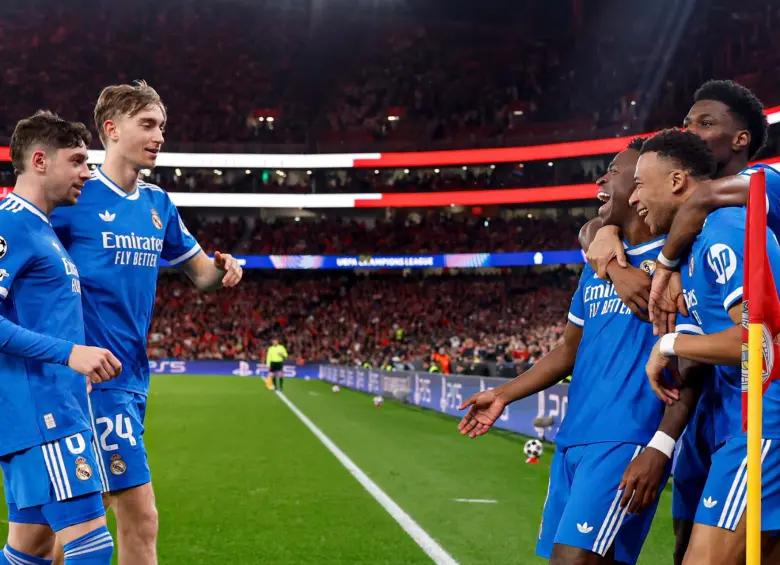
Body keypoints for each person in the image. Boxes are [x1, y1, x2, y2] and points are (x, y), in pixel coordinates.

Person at [458, 139, 702, 565]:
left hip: (627, 438)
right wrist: (502, 395)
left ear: (642, 185)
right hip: (573, 440)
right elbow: (569, 350)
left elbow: (692, 365)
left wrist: (660, 445)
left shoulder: (675, 264)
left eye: (614, 171)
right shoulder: (597, 265)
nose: (600, 179)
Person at [49, 82, 244, 565]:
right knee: (139, 517)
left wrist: (224, 267)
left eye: (162, 127)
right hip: (93, 380)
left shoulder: (158, 205)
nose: (160, 136)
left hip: (134, 378)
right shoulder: (75, 198)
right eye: (148, 125)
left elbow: (200, 274)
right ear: (111, 130)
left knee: (78, 522)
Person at [581, 79, 773, 564]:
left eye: (705, 123)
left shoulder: (753, 197)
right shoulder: (696, 229)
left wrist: (662, 278)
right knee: (691, 545)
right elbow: (629, 206)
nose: (690, 130)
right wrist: (602, 232)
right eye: (688, 123)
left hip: (757, 413)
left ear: (742, 138)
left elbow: (759, 338)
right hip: (715, 413)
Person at [631, 128, 780, 563]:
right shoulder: (697, 248)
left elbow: (761, 339)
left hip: (764, 428)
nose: (636, 198)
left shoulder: (724, 230)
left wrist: (671, 345)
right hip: (748, 425)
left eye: (641, 184)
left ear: (677, 181)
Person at [0, 112, 124, 565]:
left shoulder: (44, 230)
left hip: (49, 409)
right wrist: (69, 353)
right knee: (91, 546)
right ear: (39, 160)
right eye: (77, 161)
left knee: (27, 551)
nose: (87, 174)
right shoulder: (10, 223)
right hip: (42, 415)